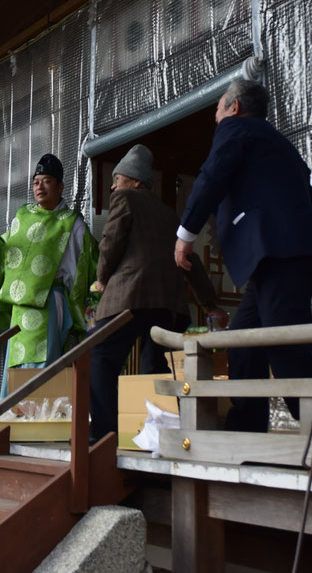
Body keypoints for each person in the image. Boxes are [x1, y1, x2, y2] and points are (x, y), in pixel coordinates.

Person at [174, 79, 312, 433]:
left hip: (278, 254)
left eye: (219, 107)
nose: (216, 115)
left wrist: (185, 233)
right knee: (243, 344)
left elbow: (213, 175)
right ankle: (246, 430)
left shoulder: (236, 128)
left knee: (283, 343)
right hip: (288, 255)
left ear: (234, 107)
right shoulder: (279, 144)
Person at [89, 144, 229, 442]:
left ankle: (104, 434)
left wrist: (102, 279)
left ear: (136, 182)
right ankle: (160, 434)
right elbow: (191, 263)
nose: (113, 185)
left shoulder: (124, 198)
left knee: (100, 355)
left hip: (130, 297)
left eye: (118, 179)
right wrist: (210, 304)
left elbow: (111, 242)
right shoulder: (171, 216)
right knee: (157, 368)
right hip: (170, 305)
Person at [0, 153, 99, 395]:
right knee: (16, 364)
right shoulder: (23, 215)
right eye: (36, 182)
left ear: (60, 186)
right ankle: (14, 421)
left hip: (49, 301)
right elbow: (7, 248)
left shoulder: (71, 222)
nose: (40, 186)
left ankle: (40, 421)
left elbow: (87, 264)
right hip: (20, 307)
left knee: (42, 364)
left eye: (47, 181)